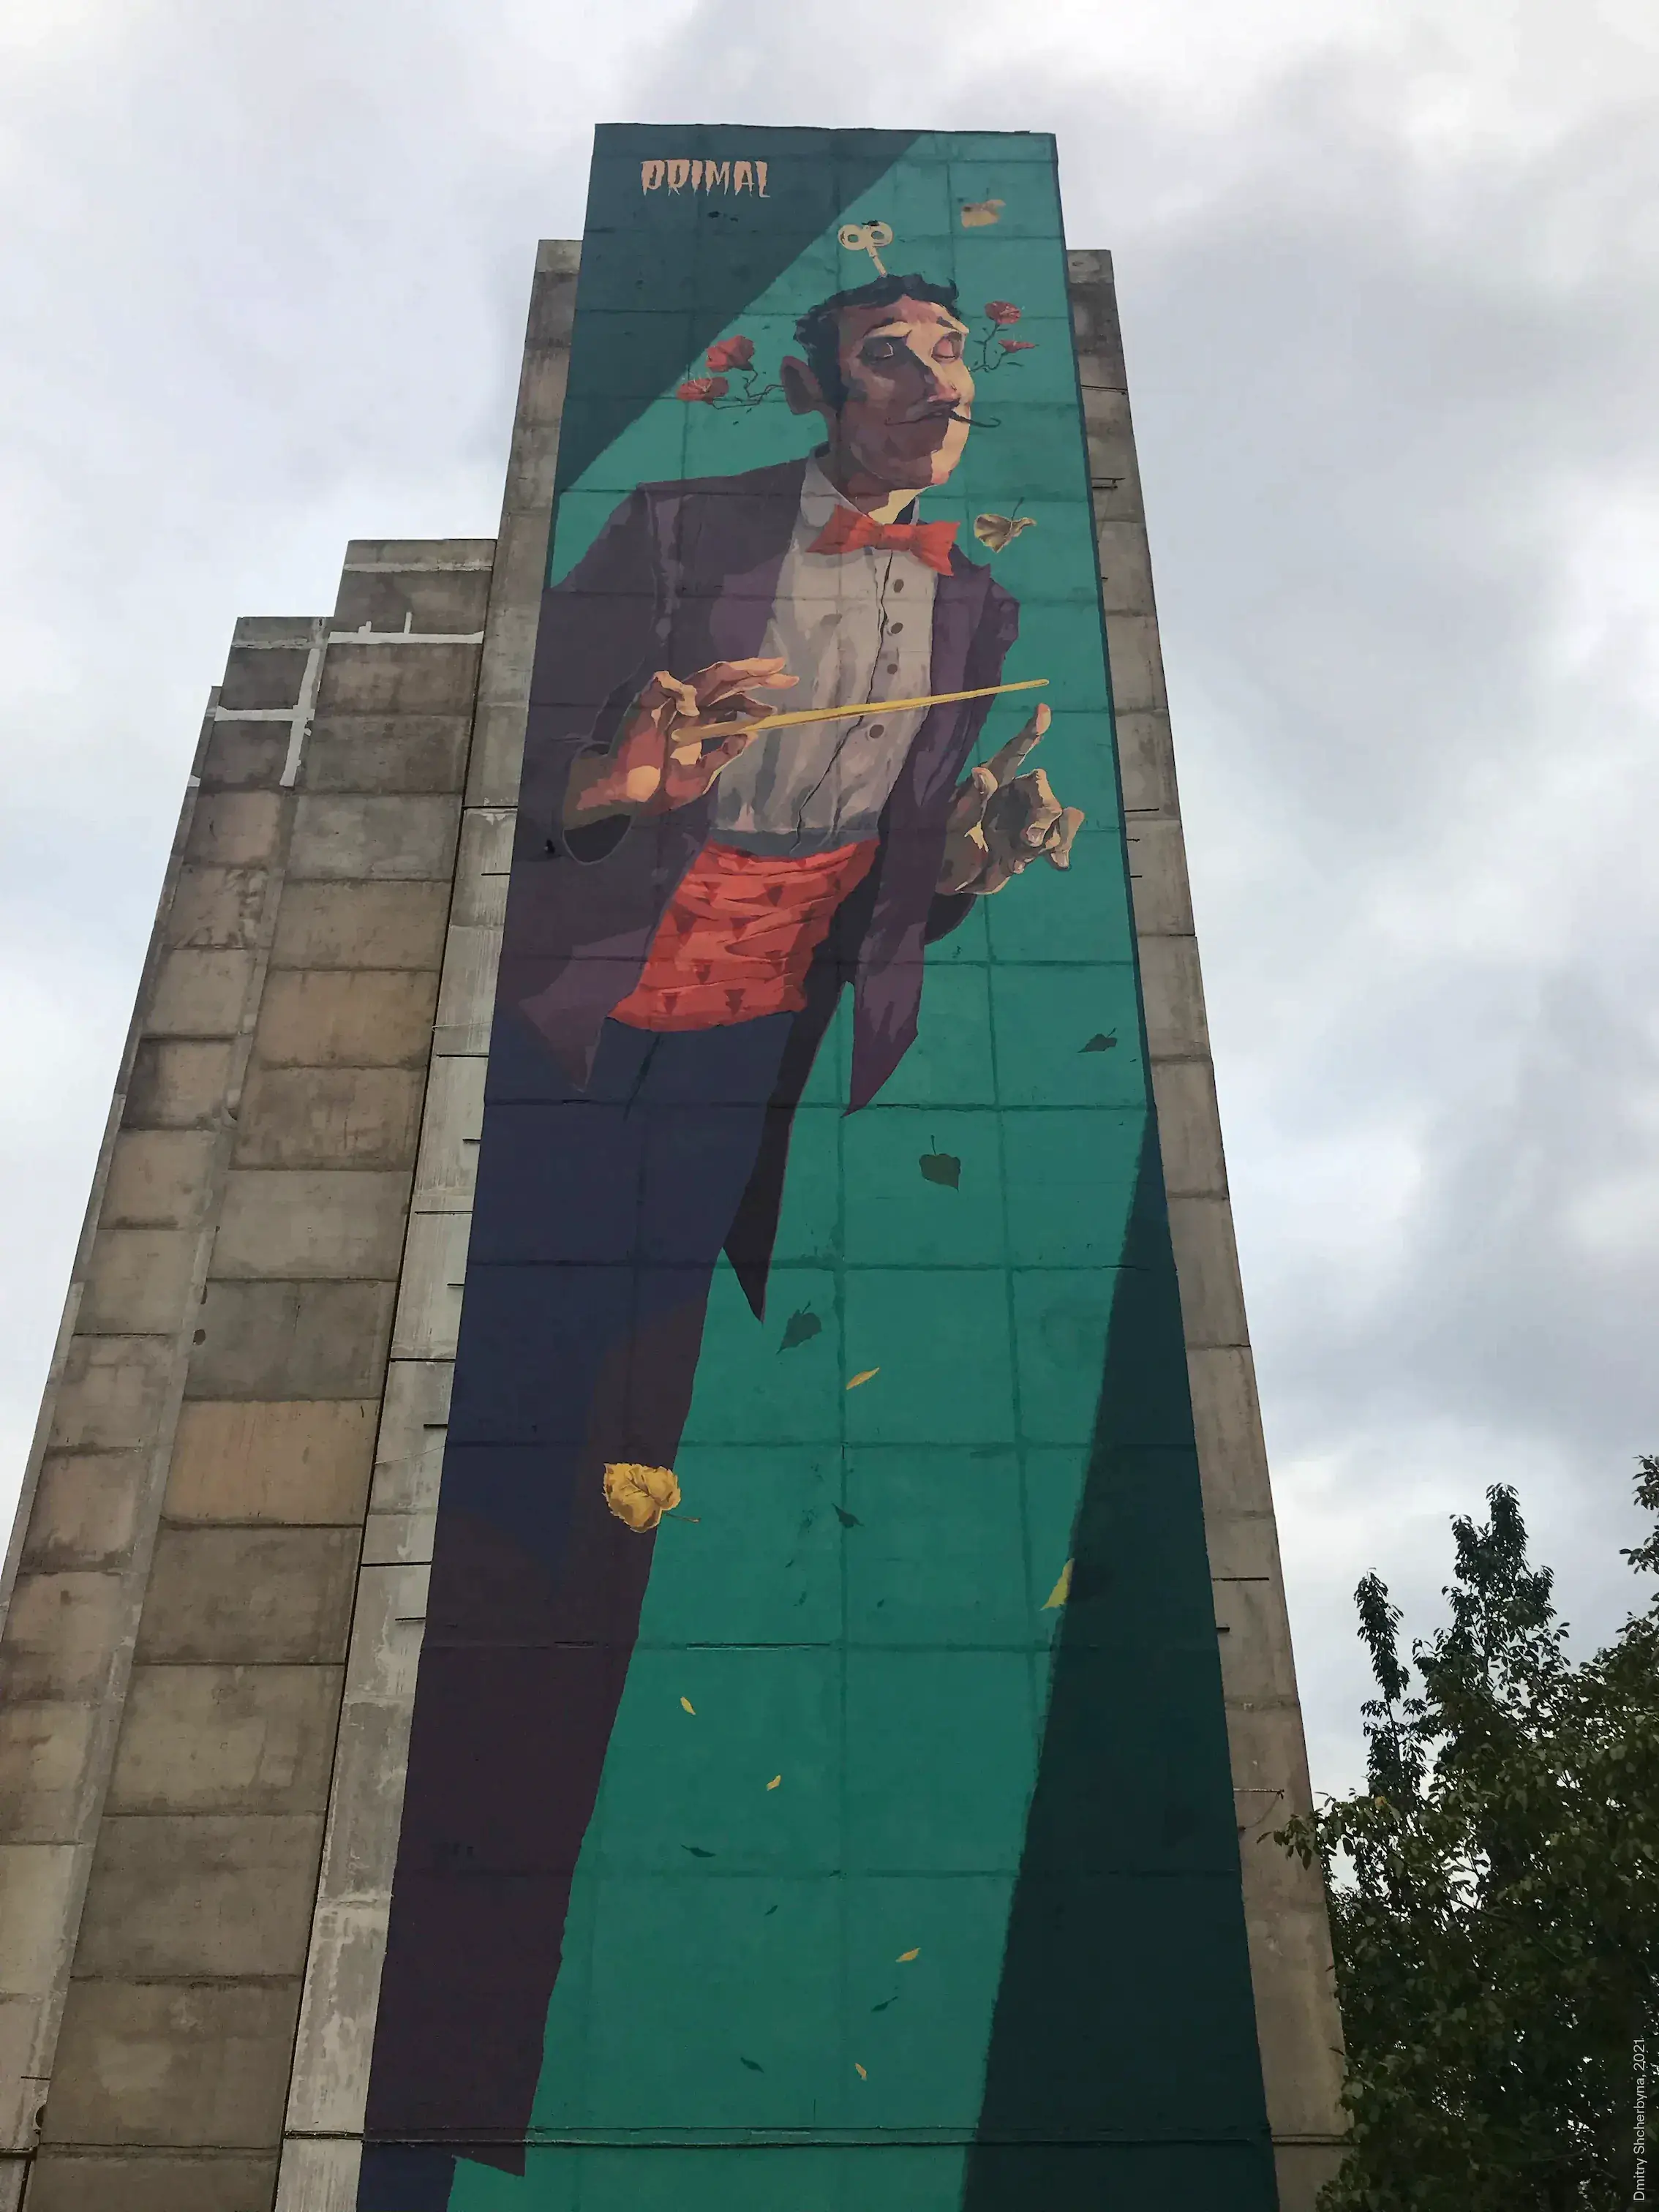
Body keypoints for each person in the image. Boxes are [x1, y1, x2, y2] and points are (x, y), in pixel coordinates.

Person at [358, 272, 1086, 2207]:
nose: (935, 383)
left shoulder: (980, 605)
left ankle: (457, 2090)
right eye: (893, 353)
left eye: (956, 353)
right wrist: (624, 773)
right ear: (818, 386)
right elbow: (534, 781)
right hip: (574, 1053)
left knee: (602, 1530)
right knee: (484, 1509)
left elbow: (882, 874)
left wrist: (962, 866)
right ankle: (384, 2082)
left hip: (734, 1093)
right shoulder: (677, 528)